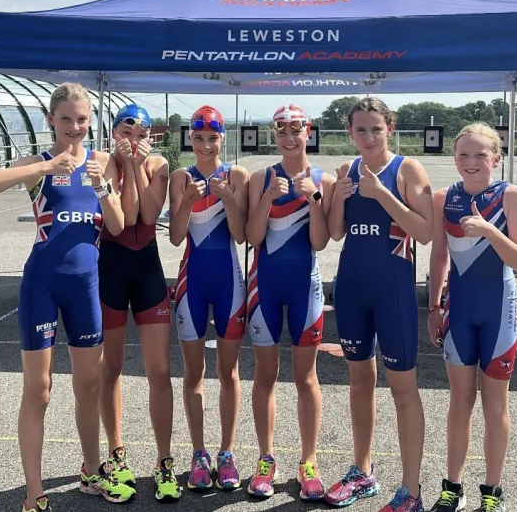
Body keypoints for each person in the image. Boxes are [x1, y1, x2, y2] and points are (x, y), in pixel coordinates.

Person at [0, 83, 136, 512]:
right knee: (40, 389)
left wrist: (104, 188)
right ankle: (34, 492)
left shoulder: (103, 162)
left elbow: (120, 225)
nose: (75, 127)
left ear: (92, 122)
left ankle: (91, 471)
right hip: (42, 285)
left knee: (89, 384)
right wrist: (45, 167)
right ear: (51, 120)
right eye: (66, 119)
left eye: (82, 119)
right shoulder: (39, 164)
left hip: (86, 286)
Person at [324, 97, 433, 512]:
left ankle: (411, 491)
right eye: (360, 130)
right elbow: (335, 232)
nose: (368, 137)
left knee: (403, 390)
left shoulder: (406, 169)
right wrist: (336, 194)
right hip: (352, 288)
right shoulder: (347, 171)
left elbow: (424, 232)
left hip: (393, 292)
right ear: (349, 132)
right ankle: (362, 471)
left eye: (376, 128)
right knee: (359, 382)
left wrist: (383, 194)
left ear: (390, 127)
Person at [427, 123, 517, 512]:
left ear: (497, 159)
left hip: (499, 312)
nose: (471, 163)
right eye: (463, 155)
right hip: (460, 311)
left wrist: (489, 230)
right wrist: (434, 308)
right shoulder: (444, 197)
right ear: (454, 158)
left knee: (495, 406)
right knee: (460, 401)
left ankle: (492, 491)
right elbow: (438, 256)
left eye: (480, 155)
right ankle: (453, 486)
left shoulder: (511, 196)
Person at [245, 104, 334, 501]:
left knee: (306, 377)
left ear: (308, 132)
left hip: (305, 287)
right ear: (274, 136)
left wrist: (313, 197)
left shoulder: (324, 180)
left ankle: (309, 461)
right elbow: (252, 237)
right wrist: (266, 199)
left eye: (296, 130)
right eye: (281, 131)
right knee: (265, 375)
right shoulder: (260, 177)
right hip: (266, 286)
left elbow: (319, 241)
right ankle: (266, 459)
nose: (289, 138)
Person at [97, 103, 181, 502]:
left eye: (141, 134)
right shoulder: (100, 163)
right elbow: (124, 218)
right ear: (114, 132)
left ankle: (164, 461)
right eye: (126, 133)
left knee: (160, 369)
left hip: (146, 269)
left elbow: (146, 214)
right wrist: (127, 168)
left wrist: (135, 168)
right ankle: (116, 453)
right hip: (110, 270)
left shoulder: (160, 164)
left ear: (150, 137)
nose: (133, 141)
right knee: (110, 367)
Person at [168, 106, 249, 492]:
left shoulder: (237, 175)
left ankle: (227, 453)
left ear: (222, 138)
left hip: (229, 281)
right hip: (192, 283)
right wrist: (185, 201)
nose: (204, 145)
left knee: (229, 372)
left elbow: (240, 235)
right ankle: (198, 452)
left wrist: (230, 199)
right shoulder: (180, 176)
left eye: (211, 138)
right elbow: (175, 236)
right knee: (193, 373)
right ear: (190, 139)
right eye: (197, 138)